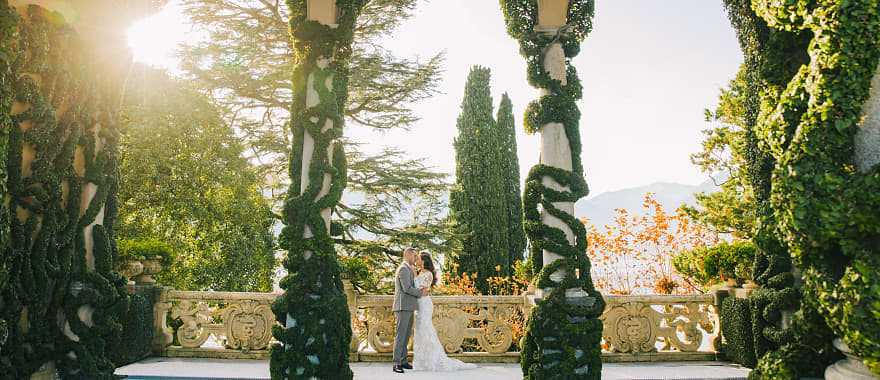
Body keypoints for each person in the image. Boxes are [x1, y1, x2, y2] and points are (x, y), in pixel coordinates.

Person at [410, 251, 477, 372]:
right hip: (418, 304)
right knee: (420, 331)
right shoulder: (420, 272)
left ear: (424, 261)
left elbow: (421, 289)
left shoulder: (428, 274)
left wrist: (414, 276)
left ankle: (433, 360)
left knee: (426, 330)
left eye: (418, 259)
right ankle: (422, 361)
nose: (416, 261)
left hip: (425, 304)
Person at [391, 247, 428, 374]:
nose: (415, 258)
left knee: (406, 336)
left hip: (409, 306)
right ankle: (396, 363)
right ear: (408, 255)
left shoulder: (408, 269)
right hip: (402, 307)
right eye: (414, 256)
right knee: (400, 336)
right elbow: (406, 288)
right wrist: (420, 293)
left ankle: (403, 361)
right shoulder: (403, 269)